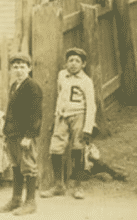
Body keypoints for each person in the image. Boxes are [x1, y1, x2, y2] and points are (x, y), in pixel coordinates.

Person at [41, 47, 96, 200]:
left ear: (83, 64)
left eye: (77, 61)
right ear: (66, 63)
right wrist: (56, 115)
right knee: (55, 148)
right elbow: (60, 95)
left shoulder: (86, 81)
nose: (73, 64)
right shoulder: (62, 76)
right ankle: (59, 185)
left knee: (78, 149)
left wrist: (88, 127)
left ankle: (78, 185)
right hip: (62, 116)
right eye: (70, 60)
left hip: (79, 115)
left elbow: (91, 105)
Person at [0, 51, 43, 215]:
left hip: (24, 136)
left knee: (28, 167)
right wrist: (6, 133)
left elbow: (36, 114)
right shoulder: (14, 86)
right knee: (16, 167)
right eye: (15, 67)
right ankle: (16, 200)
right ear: (11, 70)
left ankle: (30, 202)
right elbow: (10, 112)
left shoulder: (32, 86)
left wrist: (29, 136)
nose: (18, 70)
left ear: (29, 69)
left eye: (22, 67)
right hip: (12, 134)